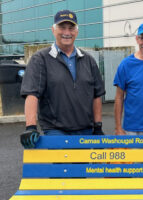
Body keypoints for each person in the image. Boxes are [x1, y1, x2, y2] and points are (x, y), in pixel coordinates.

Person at [20, 10, 106, 148]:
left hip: (85, 130)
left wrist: (98, 127)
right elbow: (32, 93)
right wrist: (30, 127)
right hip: (56, 130)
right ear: (53, 30)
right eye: (62, 27)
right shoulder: (40, 59)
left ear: (76, 32)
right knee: (63, 169)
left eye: (71, 28)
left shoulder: (88, 60)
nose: (67, 32)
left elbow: (97, 95)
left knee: (82, 169)